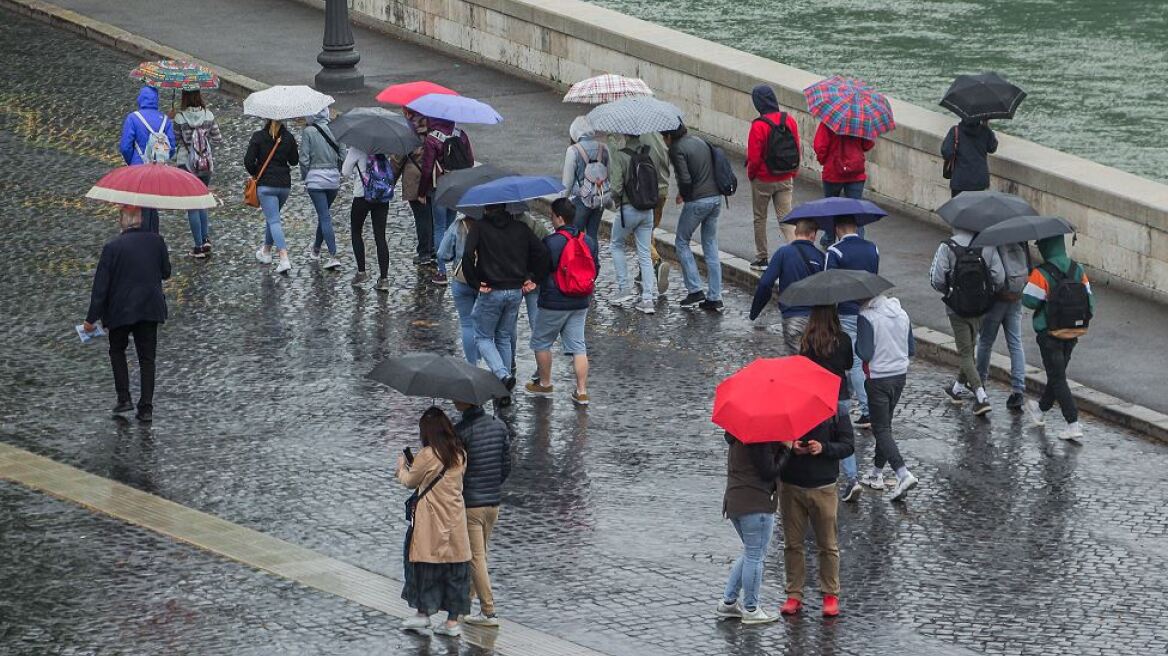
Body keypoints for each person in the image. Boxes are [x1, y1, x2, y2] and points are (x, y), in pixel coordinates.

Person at [82, 205, 171, 423]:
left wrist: (91, 319)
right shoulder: (156, 241)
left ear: (122, 221)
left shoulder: (112, 247)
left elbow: (101, 287)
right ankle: (146, 407)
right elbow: (166, 273)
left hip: (120, 310)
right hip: (150, 307)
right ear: (140, 219)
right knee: (147, 358)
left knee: (117, 351)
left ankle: (124, 398)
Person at [397, 407, 472, 637]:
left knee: (424, 564)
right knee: (455, 568)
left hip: (430, 521)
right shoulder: (460, 454)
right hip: (455, 521)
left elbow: (410, 481)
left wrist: (401, 467)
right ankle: (452, 622)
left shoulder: (428, 455)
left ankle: (423, 614)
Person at [461, 204, 549, 397]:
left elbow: (467, 256)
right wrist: (534, 278)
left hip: (492, 290)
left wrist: (476, 283)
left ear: (485, 208)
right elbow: (542, 252)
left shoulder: (479, 227)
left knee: (483, 336)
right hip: (515, 291)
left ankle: (502, 375)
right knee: (503, 337)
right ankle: (504, 387)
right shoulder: (521, 228)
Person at [778, 410, 854, 618]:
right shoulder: (786, 409)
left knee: (828, 544)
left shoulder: (836, 412)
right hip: (790, 486)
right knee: (792, 544)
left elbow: (848, 445)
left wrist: (823, 448)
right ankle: (794, 594)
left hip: (824, 487)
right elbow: (771, 440)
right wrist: (789, 445)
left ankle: (830, 594)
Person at [525, 199, 599, 406]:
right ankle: (582, 391)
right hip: (580, 301)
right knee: (578, 346)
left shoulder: (551, 242)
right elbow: (596, 269)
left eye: (551, 215)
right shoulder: (589, 241)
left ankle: (545, 383)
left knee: (541, 342)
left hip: (554, 302)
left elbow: (541, 270)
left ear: (558, 217)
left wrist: (533, 282)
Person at [1022, 234, 1094, 441]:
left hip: (1050, 333)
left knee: (1057, 377)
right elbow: (1091, 302)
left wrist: (1030, 281)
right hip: (1073, 331)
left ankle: (1073, 423)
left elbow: (1029, 301)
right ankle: (1040, 409)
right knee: (1057, 374)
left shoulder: (1041, 273)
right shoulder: (1077, 269)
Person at [929, 227, 1005, 416]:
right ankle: (957, 388)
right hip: (980, 307)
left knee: (965, 352)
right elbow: (999, 277)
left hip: (957, 308)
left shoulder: (947, 247)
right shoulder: (988, 246)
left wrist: (951, 293)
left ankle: (981, 396)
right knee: (970, 347)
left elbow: (937, 279)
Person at [452, 400, 510, 627]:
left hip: (472, 504)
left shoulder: (461, 432)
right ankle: (466, 602)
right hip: (493, 503)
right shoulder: (500, 426)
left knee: (476, 557)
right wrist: (493, 484)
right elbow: (507, 465)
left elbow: (457, 471)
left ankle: (488, 611)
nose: (454, 401)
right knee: (481, 554)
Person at [855, 293, 918, 501]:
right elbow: (911, 349)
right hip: (899, 376)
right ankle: (876, 473)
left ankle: (903, 474)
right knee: (886, 426)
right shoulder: (902, 313)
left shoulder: (866, 317)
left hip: (878, 378)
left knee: (880, 428)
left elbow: (864, 353)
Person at [716, 431, 784, 625]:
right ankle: (751, 609)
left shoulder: (737, 432)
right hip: (756, 503)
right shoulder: (759, 437)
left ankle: (729, 602)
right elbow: (768, 471)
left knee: (751, 553)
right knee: (755, 556)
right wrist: (785, 449)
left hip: (735, 501)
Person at [797, 305, 858, 501]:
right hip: (840, 394)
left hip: (816, 397)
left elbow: (803, 368)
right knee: (843, 436)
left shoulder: (808, 341)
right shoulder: (844, 339)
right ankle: (852, 478)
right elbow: (848, 364)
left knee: (819, 436)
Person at [824, 216, 879, 430]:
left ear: (838, 228)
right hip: (869, 310)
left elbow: (828, 285)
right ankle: (843, 404)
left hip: (847, 311)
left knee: (854, 364)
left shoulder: (835, 252)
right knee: (865, 361)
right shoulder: (873, 248)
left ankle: (867, 410)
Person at [664, 124, 724, 312]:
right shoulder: (700, 140)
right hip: (716, 198)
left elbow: (685, 178)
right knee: (710, 245)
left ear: (669, 135)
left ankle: (695, 289)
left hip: (698, 201)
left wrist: (684, 194)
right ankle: (715, 296)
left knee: (682, 241)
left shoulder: (676, 149)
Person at [746, 84, 801, 270]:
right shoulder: (789, 120)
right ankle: (797, 254)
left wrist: (752, 176)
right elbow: (797, 148)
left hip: (763, 178)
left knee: (760, 217)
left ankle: (762, 258)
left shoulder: (758, 125)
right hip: (785, 176)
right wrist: (793, 172)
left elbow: (754, 157)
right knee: (786, 218)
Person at [750, 219, 823, 352]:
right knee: (814, 363)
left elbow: (765, 283)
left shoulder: (783, 253)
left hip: (792, 317)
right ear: (813, 234)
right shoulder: (820, 257)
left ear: (796, 232)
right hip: (816, 321)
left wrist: (754, 312)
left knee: (796, 364)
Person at [606, 134, 660, 315]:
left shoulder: (621, 155)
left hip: (628, 209)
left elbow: (616, 188)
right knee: (644, 252)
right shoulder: (649, 153)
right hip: (648, 210)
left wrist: (615, 200)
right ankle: (648, 299)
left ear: (626, 135)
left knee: (616, 244)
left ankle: (623, 289)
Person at [419, 116, 474, 286]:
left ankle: (441, 270)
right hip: (457, 186)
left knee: (440, 227)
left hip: (440, 187)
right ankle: (457, 267)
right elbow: (470, 161)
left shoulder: (432, 139)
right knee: (452, 227)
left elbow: (427, 168)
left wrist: (421, 192)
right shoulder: (461, 135)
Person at [976, 241, 1030, 410]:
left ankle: (980, 384)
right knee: (1015, 342)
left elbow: (992, 273)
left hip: (998, 299)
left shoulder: (992, 240)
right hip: (1016, 296)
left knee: (985, 342)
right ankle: (1018, 390)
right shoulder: (1020, 238)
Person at [245, 119, 299, 274]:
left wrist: (257, 171)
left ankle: (284, 258)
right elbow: (294, 161)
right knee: (272, 217)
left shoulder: (258, 137)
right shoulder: (288, 137)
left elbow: (248, 161)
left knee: (274, 220)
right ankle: (266, 252)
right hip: (284, 186)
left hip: (266, 186)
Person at [119, 86, 176, 233]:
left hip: (137, 169)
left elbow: (125, 146)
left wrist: (132, 162)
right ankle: (153, 235)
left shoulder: (133, 118)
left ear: (140, 99)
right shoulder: (165, 120)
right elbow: (172, 148)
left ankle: (139, 235)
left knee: (138, 204)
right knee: (152, 205)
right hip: (157, 169)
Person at [172, 90, 222, 258]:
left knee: (192, 204)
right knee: (202, 200)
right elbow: (217, 138)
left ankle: (198, 246)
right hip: (205, 165)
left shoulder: (180, 117)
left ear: (184, 97)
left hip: (186, 164)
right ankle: (206, 238)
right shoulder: (208, 115)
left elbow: (175, 140)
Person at [813, 123, 875, 248]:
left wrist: (825, 160)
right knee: (856, 209)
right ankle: (858, 241)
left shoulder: (828, 122)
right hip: (856, 171)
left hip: (833, 171)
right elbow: (868, 144)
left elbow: (820, 146)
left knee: (831, 207)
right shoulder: (860, 121)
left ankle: (829, 239)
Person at [342, 146, 393, 290]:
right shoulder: (383, 148)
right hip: (381, 197)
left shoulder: (356, 149)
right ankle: (384, 279)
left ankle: (361, 272)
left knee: (356, 232)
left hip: (362, 196)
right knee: (380, 237)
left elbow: (345, 172)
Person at [299, 108, 344, 270]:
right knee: (323, 215)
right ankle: (316, 250)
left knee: (324, 217)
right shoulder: (336, 129)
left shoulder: (309, 132)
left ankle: (333, 255)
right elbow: (343, 156)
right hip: (333, 181)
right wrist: (336, 172)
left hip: (315, 181)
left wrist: (305, 178)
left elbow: (304, 160)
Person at [438, 212, 478, 364]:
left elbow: (442, 253)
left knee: (467, 324)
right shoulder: (488, 226)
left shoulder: (458, 225)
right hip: (485, 282)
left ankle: (472, 364)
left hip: (462, 279)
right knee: (483, 326)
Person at [562, 116, 609, 244]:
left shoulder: (573, 151)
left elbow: (567, 183)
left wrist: (562, 204)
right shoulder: (603, 148)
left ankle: (580, 263)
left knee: (576, 237)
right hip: (600, 198)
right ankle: (594, 262)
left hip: (581, 200)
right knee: (593, 234)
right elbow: (608, 175)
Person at [402, 109, 434, 265]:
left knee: (421, 217)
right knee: (430, 215)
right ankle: (433, 248)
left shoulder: (407, 131)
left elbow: (398, 158)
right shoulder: (433, 129)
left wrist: (389, 180)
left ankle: (424, 253)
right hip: (432, 178)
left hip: (414, 179)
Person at [941, 118, 998, 197]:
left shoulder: (955, 131)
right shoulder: (985, 131)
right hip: (980, 181)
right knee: (977, 208)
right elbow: (992, 148)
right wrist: (986, 126)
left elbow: (947, 153)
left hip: (960, 180)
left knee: (957, 208)